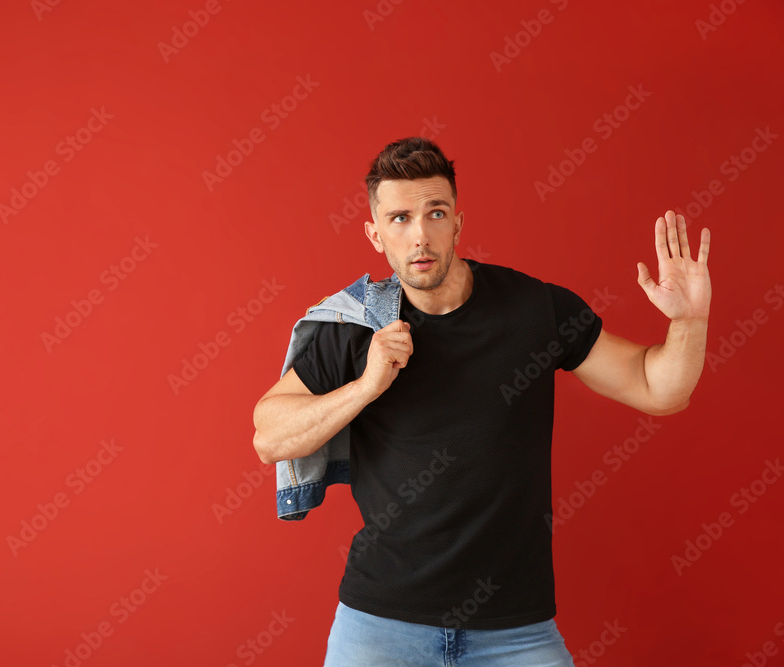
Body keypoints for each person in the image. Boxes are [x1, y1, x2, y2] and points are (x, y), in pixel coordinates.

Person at [252, 137, 711, 666]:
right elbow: (269, 438)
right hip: (380, 628)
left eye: (435, 213)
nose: (420, 234)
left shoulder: (537, 309)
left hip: (516, 634)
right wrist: (366, 386)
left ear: (458, 224)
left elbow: (661, 391)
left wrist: (689, 320)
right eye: (400, 218)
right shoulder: (356, 328)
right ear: (375, 235)